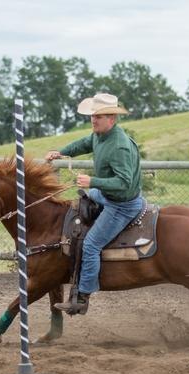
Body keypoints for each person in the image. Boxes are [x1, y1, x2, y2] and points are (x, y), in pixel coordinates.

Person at [45, 93, 144, 315]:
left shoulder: (119, 147)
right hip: (105, 195)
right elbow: (84, 143)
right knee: (80, 204)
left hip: (121, 205)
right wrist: (62, 152)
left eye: (98, 116)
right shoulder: (100, 135)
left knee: (91, 245)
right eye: (93, 115)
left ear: (112, 118)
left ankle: (82, 296)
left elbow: (124, 183)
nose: (93, 119)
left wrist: (93, 181)